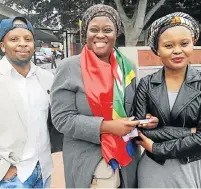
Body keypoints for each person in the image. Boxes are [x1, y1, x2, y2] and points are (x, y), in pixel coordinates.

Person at [51, 4, 157, 188]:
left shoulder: (127, 67)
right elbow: (62, 119)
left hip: (126, 159)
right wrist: (107, 127)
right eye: (94, 29)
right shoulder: (69, 67)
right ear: (85, 33)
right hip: (90, 163)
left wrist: (146, 120)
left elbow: (132, 110)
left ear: (116, 33)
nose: (100, 35)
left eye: (107, 30)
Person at [134, 12, 201, 188]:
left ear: (193, 43)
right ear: (157, 49)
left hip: (193, 168)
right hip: (154, 170)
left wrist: (157, 148)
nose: (177, 50)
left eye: (184, 43)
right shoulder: (146, 84)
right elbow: (140, 131)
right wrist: (191, 131)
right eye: (169, 45)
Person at [0, 16, 61, 188]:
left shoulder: (47, 78)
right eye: (14, 39)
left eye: (28, 39)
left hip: (43, 171)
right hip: (11, 177)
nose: (22, 44)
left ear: (34, 45)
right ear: (3, 46)